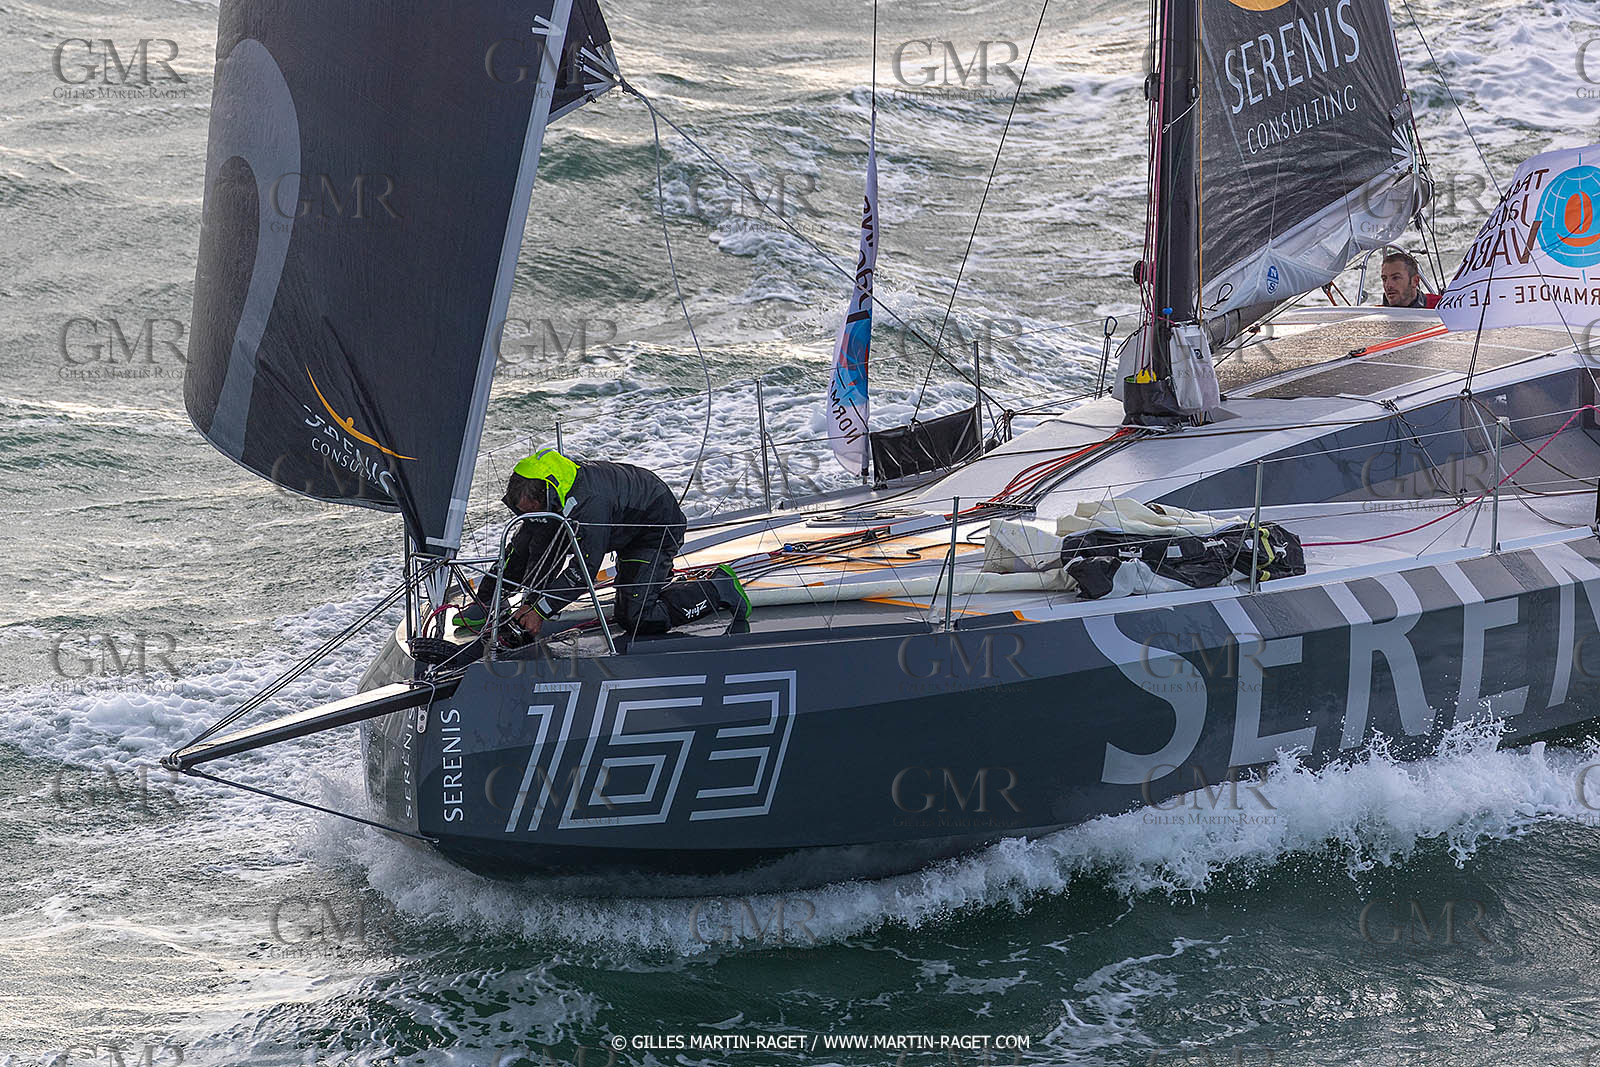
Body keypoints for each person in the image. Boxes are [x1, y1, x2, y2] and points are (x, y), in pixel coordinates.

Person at [461, 450, 688, 637]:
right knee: (530, 539)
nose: (526, 516)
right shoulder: (553, 494)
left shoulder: (589, 506)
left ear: (546, 497)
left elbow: (584, 570)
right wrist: (493, 598)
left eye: (531, 511)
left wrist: (540, 611)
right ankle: (487, 603)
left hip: (652, 532)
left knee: (635, 618)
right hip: (618, 520)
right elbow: (522, 552)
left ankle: (716, 588)